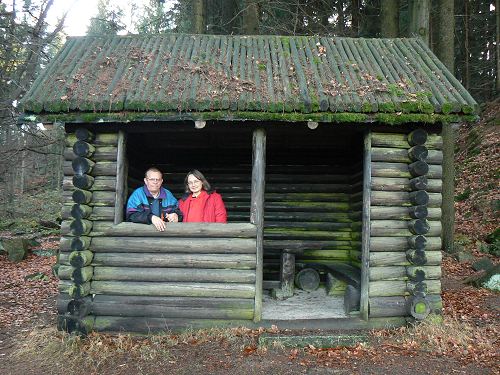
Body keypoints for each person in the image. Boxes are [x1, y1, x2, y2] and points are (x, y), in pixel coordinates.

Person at [126, 167, 182, 231]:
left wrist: (176, 215)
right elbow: (131, 215)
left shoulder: (168, 195)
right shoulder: (137, 194)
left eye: (158, 179)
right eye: (152, 179)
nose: (155, 182)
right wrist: (151, 217)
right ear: (145, 181)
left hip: (165, 235)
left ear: (161, 181)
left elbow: (178, 211)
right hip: (142, 235)